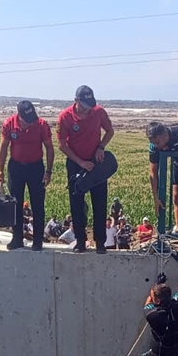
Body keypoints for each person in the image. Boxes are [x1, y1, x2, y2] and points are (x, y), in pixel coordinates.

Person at [57, 85, 113, 253]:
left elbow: (110, 131)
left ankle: (100, 242)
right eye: (85, 105)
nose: (88, 109)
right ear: (76, 101)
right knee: (77, 204)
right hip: (75, 163)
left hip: (96, 161)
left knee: (100, 202)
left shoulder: (99, 112)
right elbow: (61, 145)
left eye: (90, 105)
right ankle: (80, 241)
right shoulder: (65, 117)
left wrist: (101, 147)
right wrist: (80, 162)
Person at [0, 101, 54, 251]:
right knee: (16, 204)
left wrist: (48, 171)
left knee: (38, 205)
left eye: (32, 120)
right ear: (20, 117)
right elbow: (3, 147)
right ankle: (17, 238)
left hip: (36, 168)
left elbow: (49, 148)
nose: (30, 124)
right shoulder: (9, 124)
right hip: (16, 168)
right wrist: (0, 170)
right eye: (27, 121)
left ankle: (37, 241)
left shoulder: (41, 124)